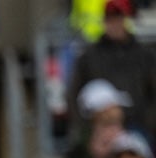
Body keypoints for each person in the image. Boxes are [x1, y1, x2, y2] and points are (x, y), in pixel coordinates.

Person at [67, 0, 156, 145]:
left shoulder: (145, 56)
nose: (115, 25)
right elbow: (73, 94)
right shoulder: (89, 57)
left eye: (119, 18)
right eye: (110, 19)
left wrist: (148, 123)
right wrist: (86, 127)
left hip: (137, 127)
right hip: (98, 128)